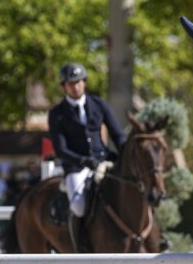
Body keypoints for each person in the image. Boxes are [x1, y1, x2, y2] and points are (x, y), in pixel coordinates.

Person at [48, 62, 126, 252]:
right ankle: (81, 245)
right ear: (64, 87)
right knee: (79, 205)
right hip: (77, 167)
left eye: (79, 82)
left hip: (103, 160)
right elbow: (61, 149)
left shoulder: (98, 104)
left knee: (131, 188)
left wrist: (125, 154)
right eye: (71, 83)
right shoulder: (57, 114)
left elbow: (118, 135)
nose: (76, 86)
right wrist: (83, 161)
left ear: (84, 82)